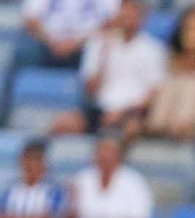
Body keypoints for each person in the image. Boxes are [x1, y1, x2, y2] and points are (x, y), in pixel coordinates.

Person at [54, 0, 167, 138]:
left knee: (132, 129)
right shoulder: (99, 43)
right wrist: (104, 53)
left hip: (132, 113)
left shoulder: (154, 49)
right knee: (64, 124)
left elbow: (154, 92)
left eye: (133, 11)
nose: (127, 15)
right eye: (124, 10)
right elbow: (90, 91)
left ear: (143, 17)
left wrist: (123, 112)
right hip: (99, 110)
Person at [145, 5, 195, 142]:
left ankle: (182, 124)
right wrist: (188, 56)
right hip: (174, 106)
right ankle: (157, 124)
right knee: (174, 81)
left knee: (193, 81)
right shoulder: (175, 52)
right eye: (190, 27)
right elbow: (170, 76)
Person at [20, 0, 117, 71]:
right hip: (48, 42)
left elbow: (113, 21)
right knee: (25, 51)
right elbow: (30, 20)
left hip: (87, 43)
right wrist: (51, 41)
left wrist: (77, 43)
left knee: (104, 49)